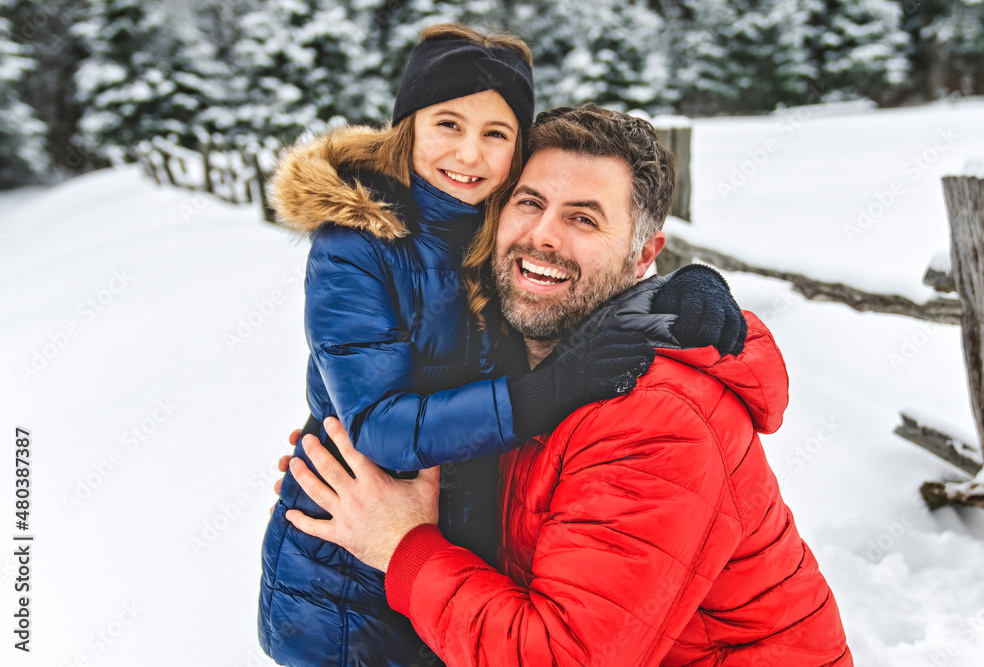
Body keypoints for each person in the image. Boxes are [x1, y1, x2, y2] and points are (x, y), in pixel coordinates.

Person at [282, 104, 854, 665]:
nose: (543, 236)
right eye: (529, 203)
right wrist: (368, 474)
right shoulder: (513, 360)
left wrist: (400, 545)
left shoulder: (657, 419)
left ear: (643, 258)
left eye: (584, 218)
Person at [258, 26, 747, 667]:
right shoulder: (357, 244)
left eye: (496, 133)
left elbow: (585, 285)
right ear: (408, 125)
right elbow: (376, 424)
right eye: (447, 124)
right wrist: (545, 394)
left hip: (449, 560)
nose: (469, 153)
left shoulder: (496, 228)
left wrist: (680, 288)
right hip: (346, 574)